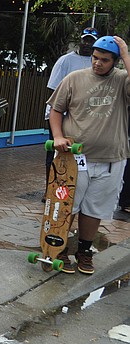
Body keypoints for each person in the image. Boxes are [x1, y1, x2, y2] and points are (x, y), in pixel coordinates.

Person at [47, 35, 130, 274]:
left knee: (94, 209)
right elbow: (56, 110)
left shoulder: (122, 81)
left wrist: (125, 52)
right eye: (95, 58)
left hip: (111, 159)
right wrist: (58, 136)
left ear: (115, 61)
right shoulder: (74, 79)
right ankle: (60, 247)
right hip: (74, 158)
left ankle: (84, 250)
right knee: (67, 206)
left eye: (104, 60)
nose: (97, 63)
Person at [44, 27, 97, 198]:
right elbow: (52, 90)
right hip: (61, 115)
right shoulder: (65, 60)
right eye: (85, 40)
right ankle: (49, 190)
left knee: (78, 154)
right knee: (55, 152)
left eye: (91, 41)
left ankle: (71, 190)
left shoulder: (95, 63)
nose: (88, 44)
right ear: (80, 40)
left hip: (84, 118)